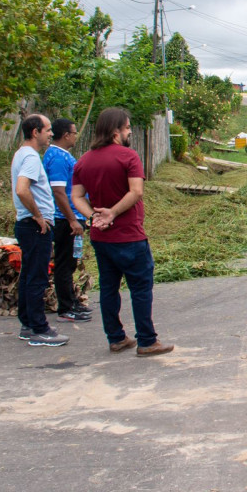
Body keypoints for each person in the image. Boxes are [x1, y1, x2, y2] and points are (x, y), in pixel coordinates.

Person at [72, 108, 174, 356]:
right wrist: (112, 213)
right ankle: (147, 341)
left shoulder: (84, 160)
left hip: (101, 238)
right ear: (116, 130)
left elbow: (76, 196)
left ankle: (116, 338)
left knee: (108, 288)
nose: (130, 132)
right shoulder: (128, 157)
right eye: (128, 128)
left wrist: (93, 216)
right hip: (129, 235)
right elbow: (136, 191)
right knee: (140, 288)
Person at [11, 114, 69, 347]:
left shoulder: (21, 154)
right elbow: (22, 189)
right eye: (47, 130)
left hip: (27, 225)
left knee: (28, 274)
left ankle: (27, 323)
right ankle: (39, 328)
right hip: (35, 226)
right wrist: (38, 215)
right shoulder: (31, 158)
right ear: (35, 132)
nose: (50, 134)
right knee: (37, 277)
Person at [43, 118, 92, 323]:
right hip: (65, 219)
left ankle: (72, 300)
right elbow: (59, 192)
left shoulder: (62, 155)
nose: (75, 136)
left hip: (73, 217)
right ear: (65, 135)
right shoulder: (57, 157)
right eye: (73, 133)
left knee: (71, 262)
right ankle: (66, 307)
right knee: (64, 263)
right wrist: (72, 219)